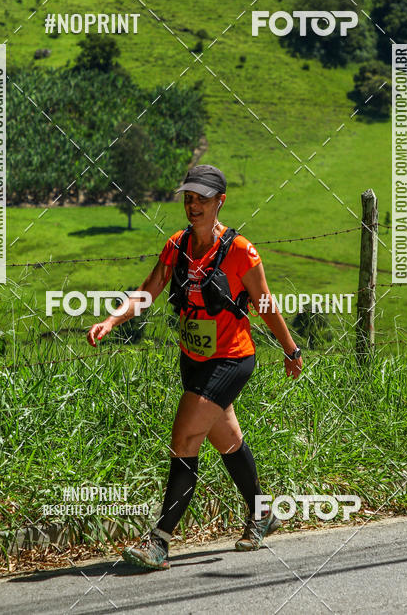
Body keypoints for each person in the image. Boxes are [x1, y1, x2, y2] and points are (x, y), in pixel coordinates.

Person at [87, 164, 303, 570]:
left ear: (220, 201)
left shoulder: (242, 252)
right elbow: (148, 292)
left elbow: (266, 305)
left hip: (233, 359)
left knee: (185, 436)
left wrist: (290, 349)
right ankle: (262, 513)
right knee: (228, 440)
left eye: (201, 199)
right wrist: (112, 320)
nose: (193, 205)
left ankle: (160, 541)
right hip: (194, 359)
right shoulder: (176, 246)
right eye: (188, 198)